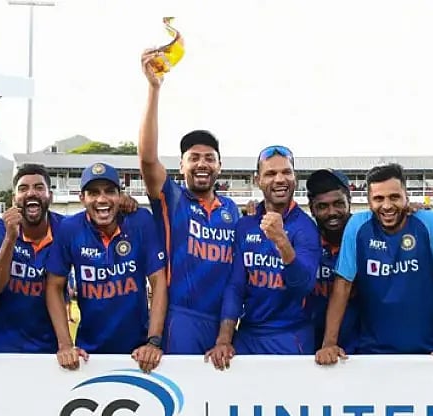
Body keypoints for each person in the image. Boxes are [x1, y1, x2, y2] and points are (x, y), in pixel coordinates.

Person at [316, 163, 433, 372]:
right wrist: (329, 344)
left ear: (406, 196)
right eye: (379, 199)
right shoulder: (358, 227)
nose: (387, 206)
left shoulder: (429, 222)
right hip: (372, 354)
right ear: (369, 201)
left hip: (429, 354)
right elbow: (342, 286)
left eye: (394, 197)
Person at [138, 49, 241, 355]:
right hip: (181, 320)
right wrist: (153, 90)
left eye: (209, 158)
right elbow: (146, 158)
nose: (202, 164)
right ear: (181, 166)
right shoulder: (173, 198)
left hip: (224, 324)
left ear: (219, 166)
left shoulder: (231, 210)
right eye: (193, 158)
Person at [44, 163, 167, 372]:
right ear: (82, 198)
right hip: (89, 355)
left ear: (120, 196)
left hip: (139, 351)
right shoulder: (70, 228)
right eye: (93, 193)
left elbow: (159, 280)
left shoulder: (140, 221)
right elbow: (54, 286)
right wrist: (65, 344)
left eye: (110, 191)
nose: (102, 199)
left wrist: (153, 341)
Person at [204, 146, 319, 368]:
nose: (280, 179)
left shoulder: (305, 228)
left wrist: (282, 242)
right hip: (249, 336)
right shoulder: (245, 225)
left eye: (286, 172)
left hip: (291, 337)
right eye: (270, 173)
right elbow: (236, 286)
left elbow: (303, 286)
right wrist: (225, 339)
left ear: (295, 177)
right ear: (258, 180)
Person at [0, 164, 62, 354]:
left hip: (51, 351)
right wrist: (10, 238)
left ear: (50, 196)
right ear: (14, 199)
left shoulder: (65, 229)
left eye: (39, 187)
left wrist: (123, 204)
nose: (31, 193)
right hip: (5, 350)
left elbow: (96, 223)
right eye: (23, 188)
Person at [305, 169, 358, 352]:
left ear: (349, 202)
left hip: (362, 350)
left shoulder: (366, 236)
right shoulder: (304, 240)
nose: (332, 212)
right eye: (322, 206)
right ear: (311, 208)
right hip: (311, 347)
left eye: (338, 204)